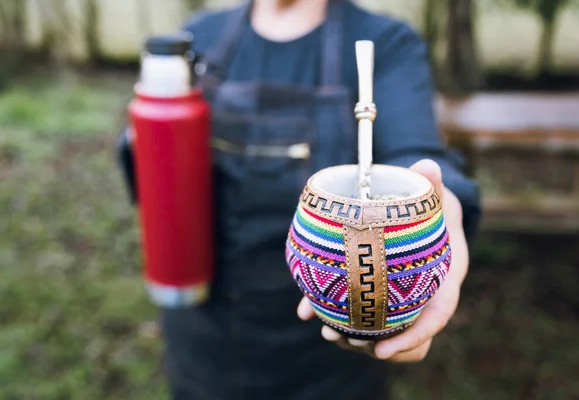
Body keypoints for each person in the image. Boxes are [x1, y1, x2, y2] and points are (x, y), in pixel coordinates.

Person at [116, 0, 481, 398]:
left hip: (326, 355)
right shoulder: (200, 38)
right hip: (205, 336)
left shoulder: (387, 42)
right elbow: (156, 187)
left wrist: (448, 208)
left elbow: (416, 152)